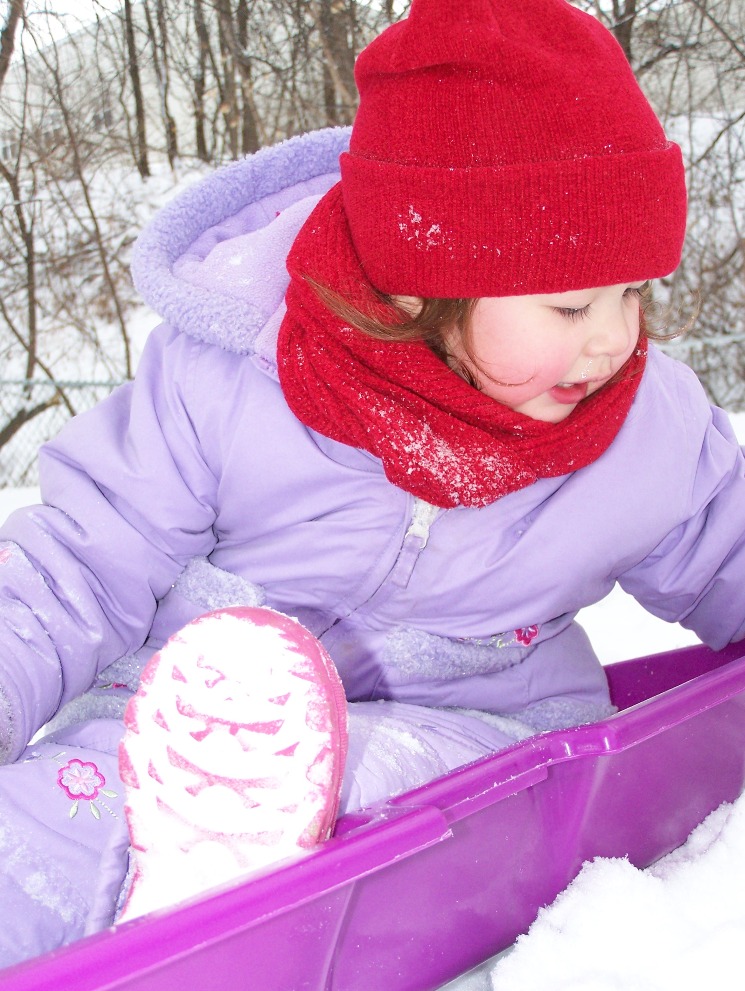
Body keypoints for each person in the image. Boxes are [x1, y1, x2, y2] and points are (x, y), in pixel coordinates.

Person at [1, 0, 744, 968]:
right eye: (570, 303)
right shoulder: (235, 376)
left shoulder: (643, 436)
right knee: (49, 828)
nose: (612, 337)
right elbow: (80, 569)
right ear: (419, 281)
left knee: (383, 801)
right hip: (183, 725)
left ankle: (226, 901)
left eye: (633, 292)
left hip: (473, 735)